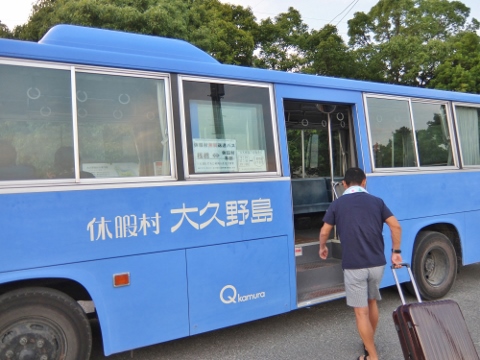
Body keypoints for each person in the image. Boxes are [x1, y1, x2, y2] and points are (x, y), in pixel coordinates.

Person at [319, 167, 402, 360]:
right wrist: (396, 252)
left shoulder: (337, 204)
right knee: (372, 302)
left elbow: (325, 231)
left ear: (345, 184)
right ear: (364, 182)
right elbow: (395, 226)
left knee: (360, 313)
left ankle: (371, 355)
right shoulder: (377, 202)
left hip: (354, 265)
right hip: (377, 263)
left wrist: (322, 246)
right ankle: (368, 343)